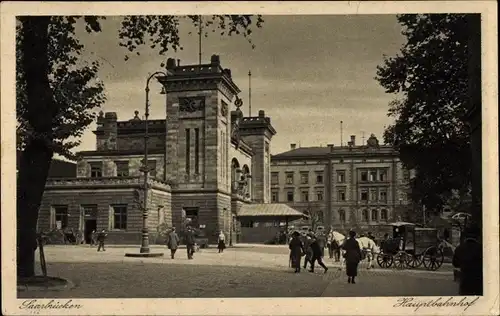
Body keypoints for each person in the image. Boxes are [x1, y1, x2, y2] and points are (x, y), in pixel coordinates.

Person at [452, 225, 483, 295]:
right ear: (478, 237)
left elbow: (455, 263)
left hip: (465, 282)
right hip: (479, 283)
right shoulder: (481, 249)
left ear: (465, 237)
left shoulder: (459, 248)